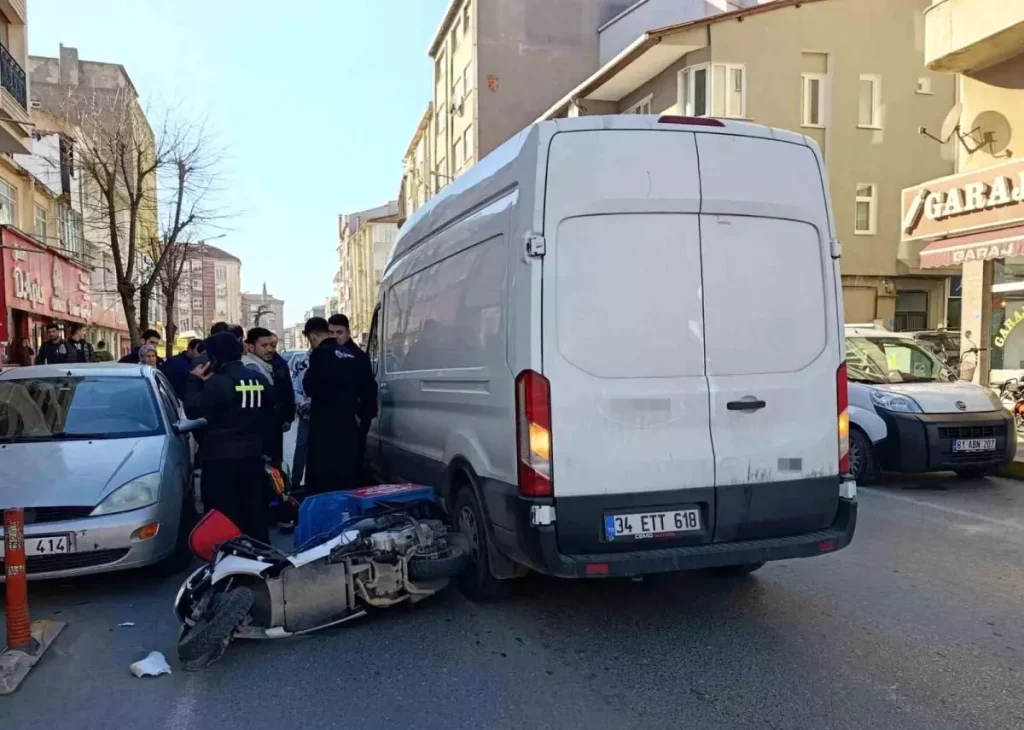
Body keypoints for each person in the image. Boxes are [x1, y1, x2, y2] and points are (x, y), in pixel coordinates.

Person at [184, 332, 276, 542]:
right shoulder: (258, 378)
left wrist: (194, 380)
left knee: (224, 517)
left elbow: (192, 409)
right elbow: (272, 414)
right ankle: (261, 558)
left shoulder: (219, 383)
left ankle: (228, 559)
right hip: (253, 458)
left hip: (221, 461)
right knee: (255, 515)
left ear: (215, 358)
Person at [302, 317, 378, 495]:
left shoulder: (320, 354)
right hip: (350, 422)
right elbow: (368, 389)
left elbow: (310, 387)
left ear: (312, 336)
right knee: (348, 470)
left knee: (324, 474)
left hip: (325, 424)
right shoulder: (352, 355)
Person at [327, 313, 378, 480]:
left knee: (353, 461)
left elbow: (368, 388)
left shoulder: (356, 355)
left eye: (339, 332)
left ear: (348, 332)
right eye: (331, 333)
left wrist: (363, 417)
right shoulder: (331, 353)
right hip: (341, 417)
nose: (335, 337)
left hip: (355, 416)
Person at [241, 327, 295, 466]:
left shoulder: (265, 365)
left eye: (272, 345)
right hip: (260, 433)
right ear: (251, 347)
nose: (270, 349)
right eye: (264, 345)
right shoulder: (251, 366)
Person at [289, 344, 312, 488]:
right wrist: (303, 403)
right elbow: (295, 386)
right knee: (301, 447)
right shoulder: (302, 363)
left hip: (326, 414)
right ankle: (295, 483)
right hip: (307, 413)